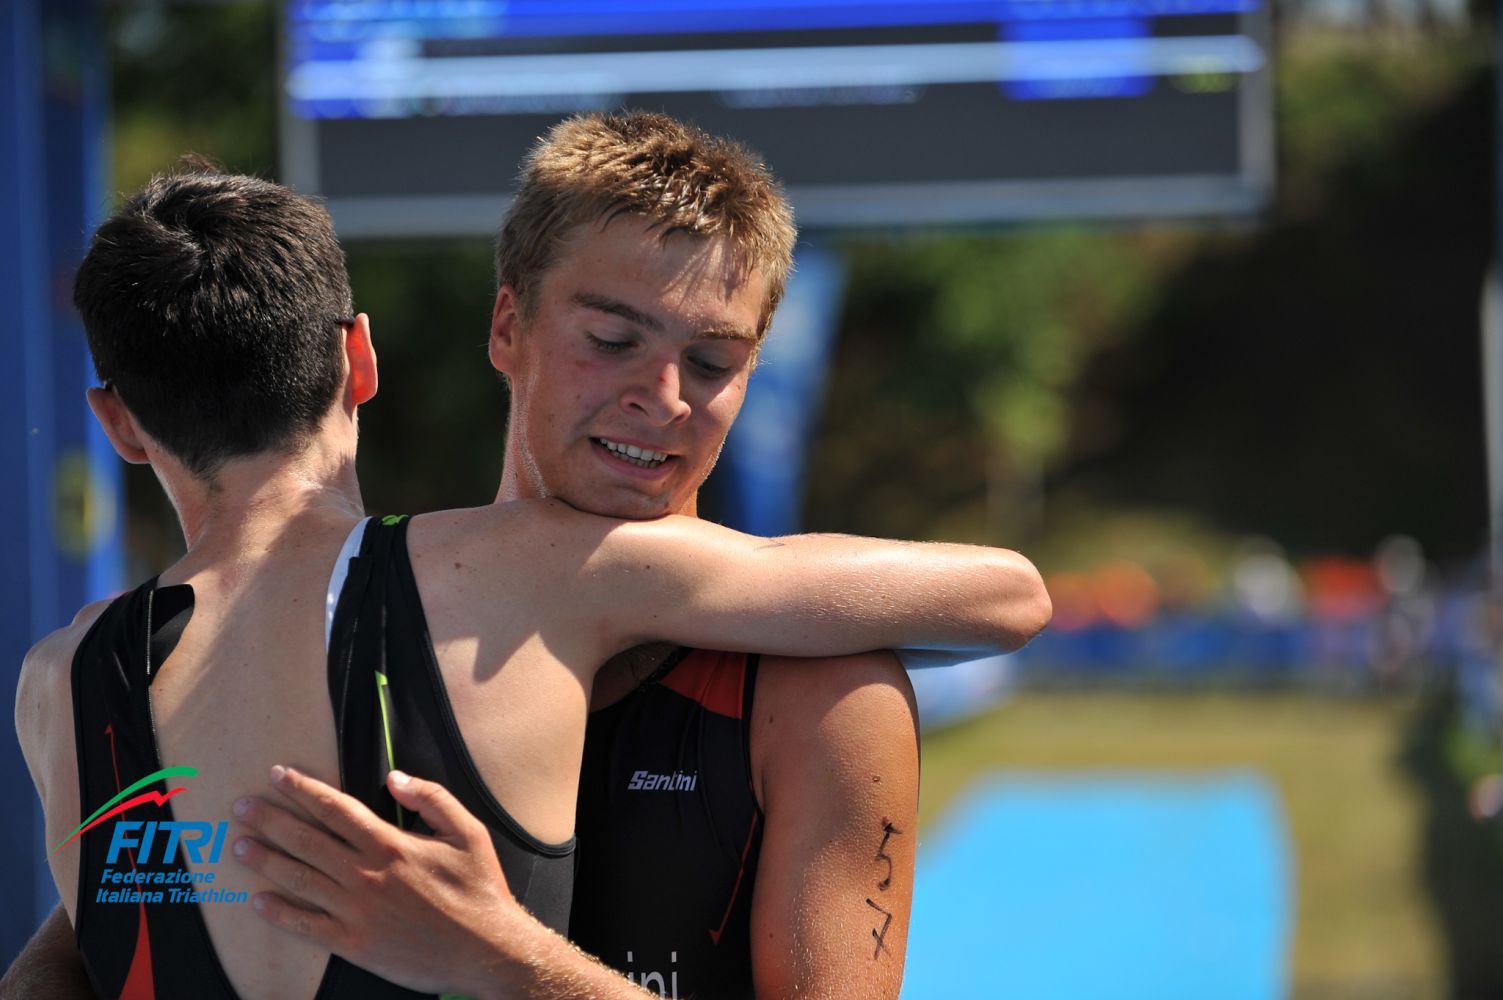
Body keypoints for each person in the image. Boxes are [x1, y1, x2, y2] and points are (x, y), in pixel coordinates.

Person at [8, 155, 1048, 998]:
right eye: (611, 339)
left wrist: (502, 958)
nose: (662, 396)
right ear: (501, 329)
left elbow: (1012, 595)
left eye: (712, 362)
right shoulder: (444, 589)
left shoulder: (825, 694)